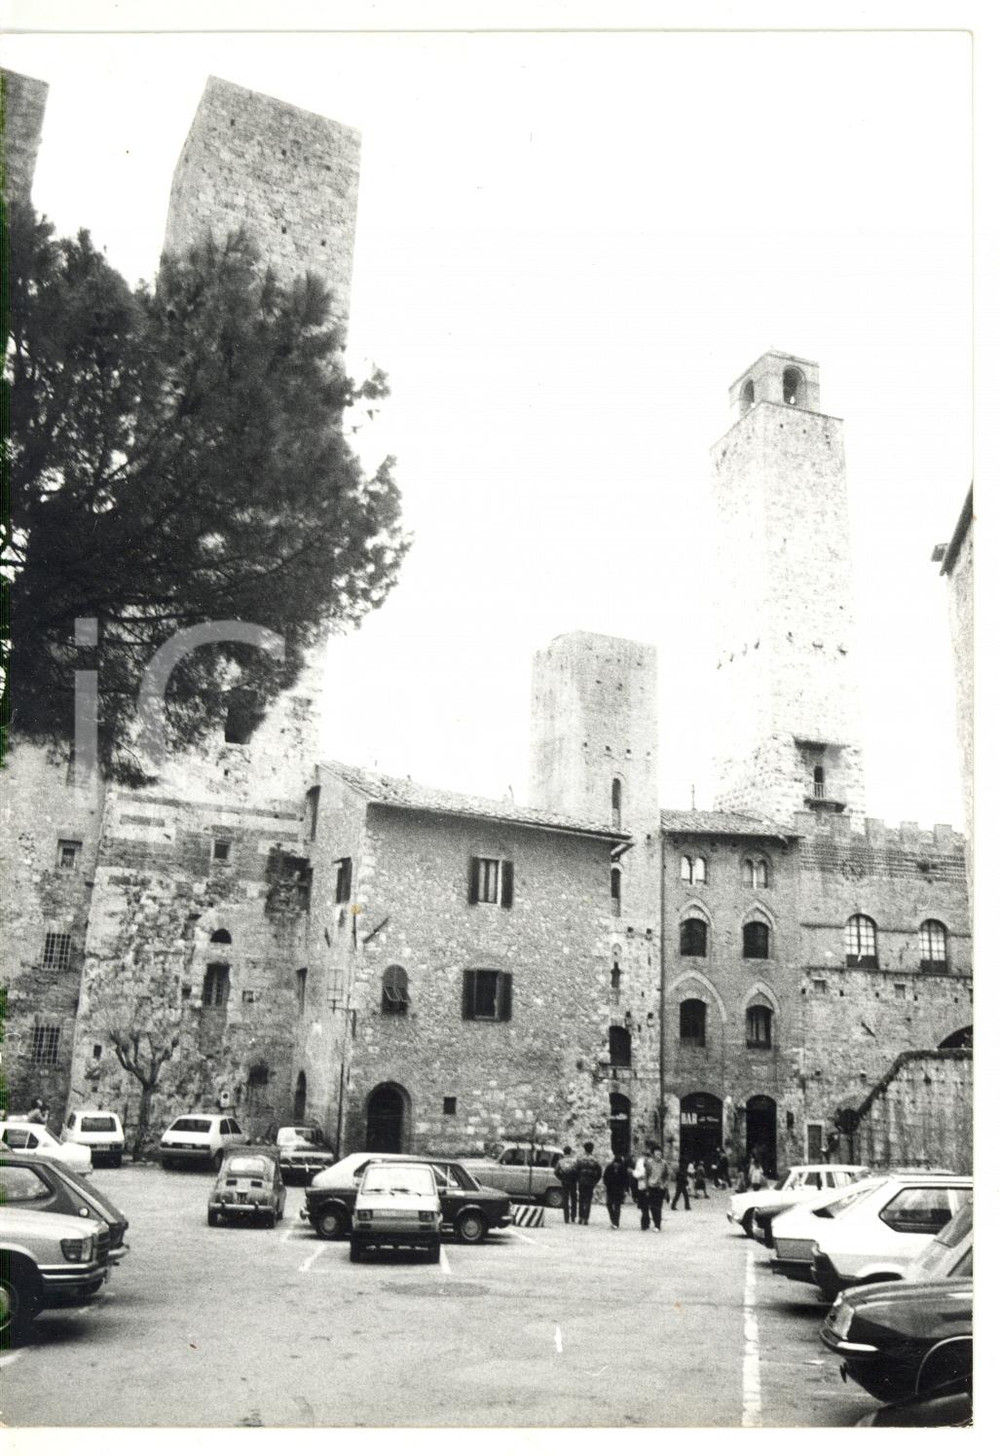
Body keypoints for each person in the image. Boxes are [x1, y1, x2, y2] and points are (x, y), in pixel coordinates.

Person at [576, 1141, 603, 1225]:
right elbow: (599, 1172)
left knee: (581, 1199)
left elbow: (576, 1170)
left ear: (584, 1149)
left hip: (582, 1182)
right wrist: (595, 1181)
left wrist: (578, 1179)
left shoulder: (580, 1159)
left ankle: (580, 1218)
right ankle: (586, 1219)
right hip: (590, 1183)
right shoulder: (595, 1160)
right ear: (592, 1149)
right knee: (588, 1200)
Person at [602, 1152, 630, 1229]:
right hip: (614, 1189)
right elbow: (605, 1178)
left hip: (615, 1189)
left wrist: (626, 1190)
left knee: (613, 1205)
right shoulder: (612, 1168)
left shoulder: (619, 1168)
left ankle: (615, 1221)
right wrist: (626, 1189)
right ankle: (614, 1220)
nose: (616, 1165)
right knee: (612, 1205)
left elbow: (626, 1180)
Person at [645, 1145, 669, 1230]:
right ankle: (655, 1222)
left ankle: (657, 1225)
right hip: (651, 1186)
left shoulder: (664, 1163)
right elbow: (647, 1175)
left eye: (660, 1153)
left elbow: (667, 1175)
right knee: (652, 1206)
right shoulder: (649, 1162)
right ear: (653, 1154)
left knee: (658, 1206)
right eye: (656, 1153)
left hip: (660, 1187)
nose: (658, 1155)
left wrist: (664, 1185)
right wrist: (646, 1186)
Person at [555, 1145, 579, 1224]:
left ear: (564, 1152)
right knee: (573, 1199)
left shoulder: (561, 1161)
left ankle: (566, 1218)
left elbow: (556, 1172)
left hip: (565, 1181)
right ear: (570, 1152)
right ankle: (573, 1216)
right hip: (573, 1181)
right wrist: (576, 1178)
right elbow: (578, 1171)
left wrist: (561, 1178)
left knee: (565, 1199)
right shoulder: (575, 1161)